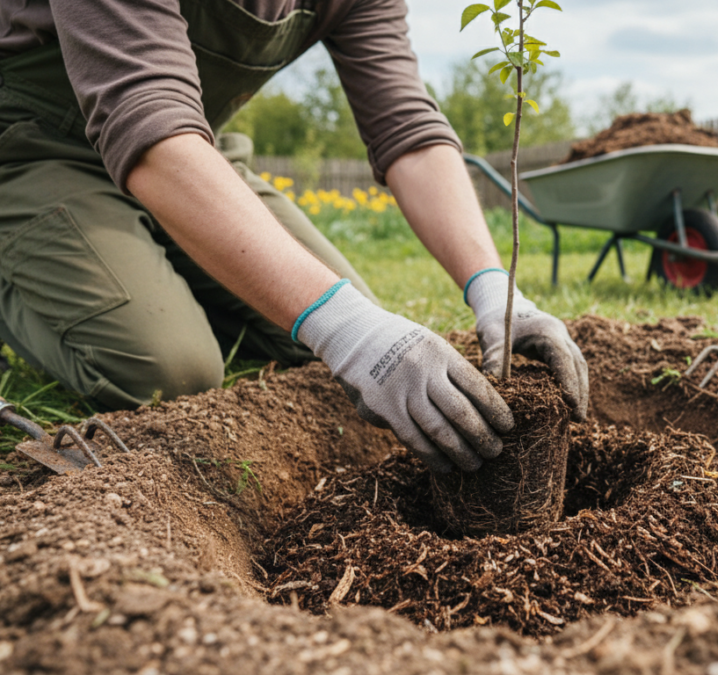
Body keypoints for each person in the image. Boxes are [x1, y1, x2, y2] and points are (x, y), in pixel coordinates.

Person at [0, 0, 588, 474]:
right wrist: (349, 330)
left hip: (196, 157)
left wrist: (495, 290)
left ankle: (150, 268)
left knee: (339, 330)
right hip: (33, 146)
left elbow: (406, 127)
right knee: (171, 370)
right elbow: (142, 106)